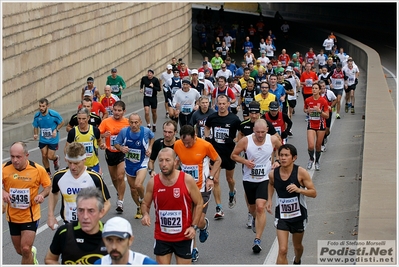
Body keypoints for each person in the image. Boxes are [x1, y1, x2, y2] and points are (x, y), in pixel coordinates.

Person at [141, 147, 203, 264]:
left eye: (167, 160)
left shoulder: (187, 180)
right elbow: (145, 203)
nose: (163, 164)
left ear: (176, 162)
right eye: (161, 160)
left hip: (184, 236)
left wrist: (193, 226)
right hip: (162, 236)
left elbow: (199, 203)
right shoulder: (153, 182)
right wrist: (145, 214)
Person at [231, 119, 280, 253]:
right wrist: (245, 161)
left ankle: (257, 239)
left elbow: (282, 150)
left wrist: (277, 162)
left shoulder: (273, 139)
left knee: (260, 207)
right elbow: (233, 155)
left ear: (267, 131)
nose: (260, 135)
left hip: (264, 178)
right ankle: (253, 218)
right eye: (257, 132)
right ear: (253, 130)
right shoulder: (246, 141)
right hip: (249, 179)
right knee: (252, 208)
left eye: (262, 132)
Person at [174, 125, 222, 262]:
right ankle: (193, 249)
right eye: (184, 142)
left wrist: (211, 178)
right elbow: (177, 160)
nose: (186, 145)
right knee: (189, 220)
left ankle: (204, 226)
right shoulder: (177, 144)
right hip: (186, 188)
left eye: (189, 142)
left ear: (195, 136)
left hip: (202, 189)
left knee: (199, 220)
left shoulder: (205, 146)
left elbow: (218, 160)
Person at [266, 144, 317, 264]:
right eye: (281, 155)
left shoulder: (301, 173)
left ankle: (298, 259)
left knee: (297, 247)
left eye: (286, 155)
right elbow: (271, 184)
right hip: (282, 216)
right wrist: (269, 199)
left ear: (294, 158)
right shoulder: (273, 174)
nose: (283, 158)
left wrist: (299, 190)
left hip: (299, 216)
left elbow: (313, 193)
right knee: (282, 250)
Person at [3, 141, 51, 265]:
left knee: (25, 248)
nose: (15, 160)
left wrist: (41, 195)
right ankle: (31, 255)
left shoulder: (37, 169)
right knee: (21, 250)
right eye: (12, 156)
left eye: (18, 157)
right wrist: (2, 192)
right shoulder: (4, 168)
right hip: (12, 216)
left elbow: (48, 187)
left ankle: (29, 253)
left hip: (30, 215)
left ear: (26, 156)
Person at [47, 142, 111, 228]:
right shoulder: (59, 176)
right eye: (70, 163)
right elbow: (54, 192)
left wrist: (96, 217)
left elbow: (107, 203)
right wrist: (50, 215)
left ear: (84, 160)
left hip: (89, 226)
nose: (72, 167)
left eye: (76, 163)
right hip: (68, 225)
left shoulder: (94, 177)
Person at [45, 187, 108, 264]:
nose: (85, 216)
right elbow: (50, 259)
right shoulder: (64, 232)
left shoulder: (110, 234)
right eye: (81, 210)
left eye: (91, 211)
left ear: (101, 212)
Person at [204, 94, 241, 218]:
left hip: (229, 153)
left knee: (229, 179)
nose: (221, 106)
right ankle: (219, 207)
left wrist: (234, 140)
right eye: (219, 104)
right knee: (215, 179)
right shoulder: (212, 117)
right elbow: (207, 126)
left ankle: (232, 192)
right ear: (216, 104)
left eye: (224, 103)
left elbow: (241, 134)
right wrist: (207, 137)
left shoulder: (234, 119)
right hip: (216, 153)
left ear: (228, 104)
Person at [113, 113, 155, 219]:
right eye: (131, 122)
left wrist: (150, 148)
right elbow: (116, 143)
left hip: (142, 162)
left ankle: (143, 200)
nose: (134, 124)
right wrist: (121, 148)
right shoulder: (124, 132)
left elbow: (152, 137)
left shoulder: (145, 131)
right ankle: (139, 206)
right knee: (132, 189)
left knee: (138, 184)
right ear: (129, 122)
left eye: (136, 122)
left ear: (140, 122)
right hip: (129, 163)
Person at [98, 101, 129, 213]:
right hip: (110, 152)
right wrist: (101, 140)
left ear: (124, 111)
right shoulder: (106, 122)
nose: (116, 112)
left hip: (122, 153)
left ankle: (120, 201)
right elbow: (97, 134)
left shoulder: (128, 123)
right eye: (115, 110)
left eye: (119, 110)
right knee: (114, 178)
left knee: (120, 176)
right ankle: (119, 191)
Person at [65, 108, 103, 174]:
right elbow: (67, 147)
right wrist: (68, 158)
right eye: (79, 119)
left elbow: (99, 141)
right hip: (78, 166)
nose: (81, 121)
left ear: (88, 118)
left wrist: (102, 145)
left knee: (95, 184)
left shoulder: (95, 130)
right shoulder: (73, 132)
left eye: (83, 119)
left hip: (93, 165)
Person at [32, 98, 64, 177]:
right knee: (44, 155)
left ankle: (55, 158)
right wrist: (35, 134)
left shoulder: (53, 114)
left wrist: (55, 130)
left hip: (53, 138)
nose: (41, 108)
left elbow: (62, 122)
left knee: (50, 156)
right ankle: (48, 172)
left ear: (47, 106)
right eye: (40, 106)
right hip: (43, 138)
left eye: (43, 106)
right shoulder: (37, 116)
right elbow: (35, 126)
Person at [303, 83, 329, 171]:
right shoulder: (308, 100)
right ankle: (311, 158)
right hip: (311, 125)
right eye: (313, 88)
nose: (314, 90)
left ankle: (317, 161)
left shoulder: (323, 101)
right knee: (311, 146)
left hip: (321, 126)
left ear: (319, 90)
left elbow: (327, 116)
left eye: (316, 88)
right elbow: (305, 109)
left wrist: (319, 111)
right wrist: (307, 111)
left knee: (318, 146)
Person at [319, 80, 337, 152]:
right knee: (321, 129)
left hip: (328, 113)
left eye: (323, 86)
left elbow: (335, 100)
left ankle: (325, 136)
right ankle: (322, 145)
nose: (323, 88)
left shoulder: (329, 93)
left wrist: (331, 106)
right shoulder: (317, 94)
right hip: (320, 114)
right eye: (321, 87)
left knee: (327, 130)